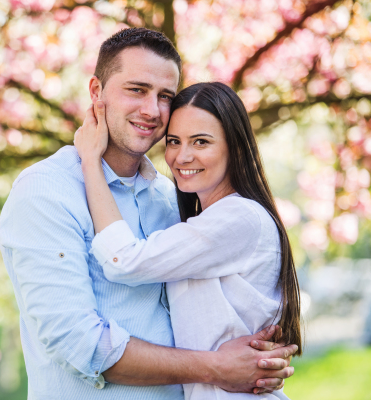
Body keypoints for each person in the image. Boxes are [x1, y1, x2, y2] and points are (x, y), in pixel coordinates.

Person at [0, 28, 298, 400]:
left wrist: (258, 360)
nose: (151, 110)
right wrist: (217, 366)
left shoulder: (171, 199)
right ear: (97, 92)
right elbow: (79, 343)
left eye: (165, 96)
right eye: (137, 90)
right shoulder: (46, 192)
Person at [73, 81, 302, 399]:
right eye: (174, 141)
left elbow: (122, 261)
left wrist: (90, 161)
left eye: (201, 142)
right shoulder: (210, 220)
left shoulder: (239, 217)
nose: (182, 156)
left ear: (234, 147)